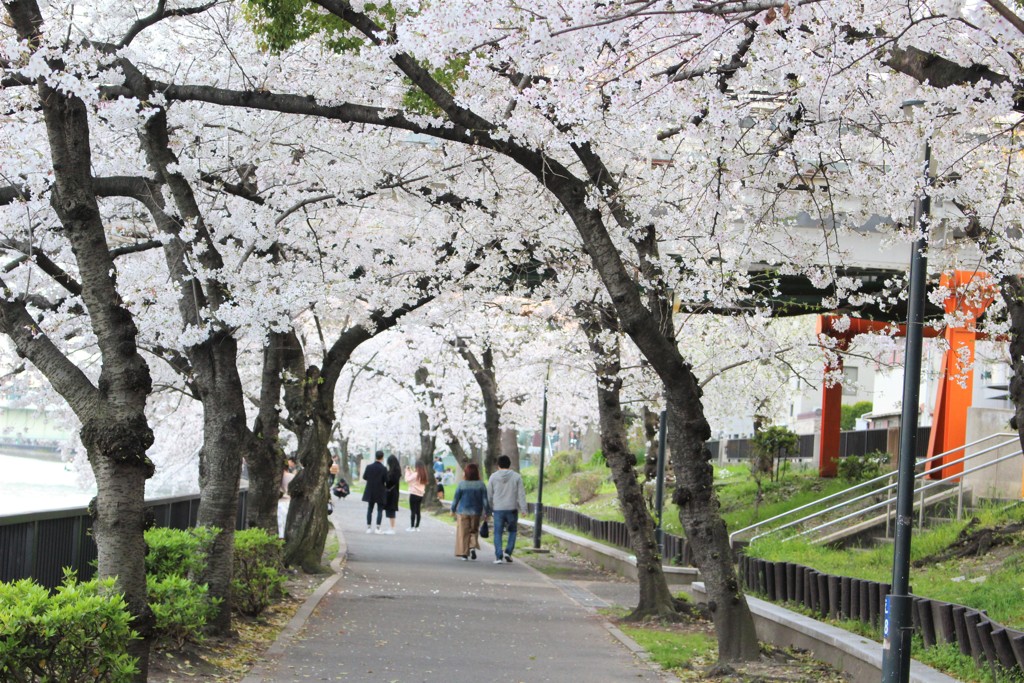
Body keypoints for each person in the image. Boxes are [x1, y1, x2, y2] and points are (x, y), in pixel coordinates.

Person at [486, 454, 528, 564]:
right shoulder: (517, 477)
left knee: (498, 532)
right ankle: (508, 552)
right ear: (509, 465)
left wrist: (488, 509)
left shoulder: (493, 477)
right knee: (512, 531)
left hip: (498, 509)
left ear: (498, 465)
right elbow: (521, 494)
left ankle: (499, 556)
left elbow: (489, 495)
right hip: (512, 508)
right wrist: (523, 509)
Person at [450, 462, 488, 560]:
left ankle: (464, 554)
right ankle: (472, 547)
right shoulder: (481, 485)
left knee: (463, 533)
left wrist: (452, 510)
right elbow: (485, 500)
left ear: (466, 473)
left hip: (463, 511)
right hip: (476, 512)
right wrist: (487, 512)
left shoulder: (462, 484)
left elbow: (456, 499)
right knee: (474, 530)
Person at [362, 450, 388, 534]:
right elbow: (386, 480)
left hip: (370, 490)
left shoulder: (369, 467)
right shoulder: (384, 468)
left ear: (375, 457)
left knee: (370, 509)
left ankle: (368, 527)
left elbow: (364, 477)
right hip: (380, 491)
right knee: (380, 510)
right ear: (382, 457)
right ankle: (377, 528)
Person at [278, 456, 299, 539]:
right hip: (289, 503)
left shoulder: (274, 478)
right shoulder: (292, 477)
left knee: (280, 527)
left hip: (279, 504)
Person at [404, 462, 428, 531]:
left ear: (417, 467)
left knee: (413, 511)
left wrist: (407, 471)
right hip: (420, 495)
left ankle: (412, 527)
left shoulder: (415, 474)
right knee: (418, 510)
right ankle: (417, 527)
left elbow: (407, 479)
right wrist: (411, 471)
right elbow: (414, 476)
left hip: (414, 494)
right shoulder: (423, 475)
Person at [383, 455, 402, 535]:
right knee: (390, 510)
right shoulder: (396, 470)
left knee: (391, 510)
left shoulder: (395, 472)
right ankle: (391, 527)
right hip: (393, 492)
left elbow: (390, 481)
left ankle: (392, 528)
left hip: (392, 492)